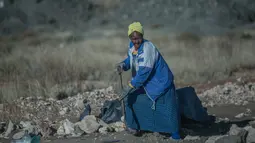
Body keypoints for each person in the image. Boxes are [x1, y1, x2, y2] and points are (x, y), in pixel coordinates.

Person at [116, 22, 181, 140]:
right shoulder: (132, 46)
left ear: (142, 36)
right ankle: (136, 127)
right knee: (132, 99)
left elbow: (144, 73)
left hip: (160, 83)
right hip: (147, 84)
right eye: (133, 38)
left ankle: (175, 134)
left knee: (167, 109)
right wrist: (123, 65)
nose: (136, 41)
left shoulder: (148, 48)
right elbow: (131, 59)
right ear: (130, 38)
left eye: (138, 38)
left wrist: (131, 85)